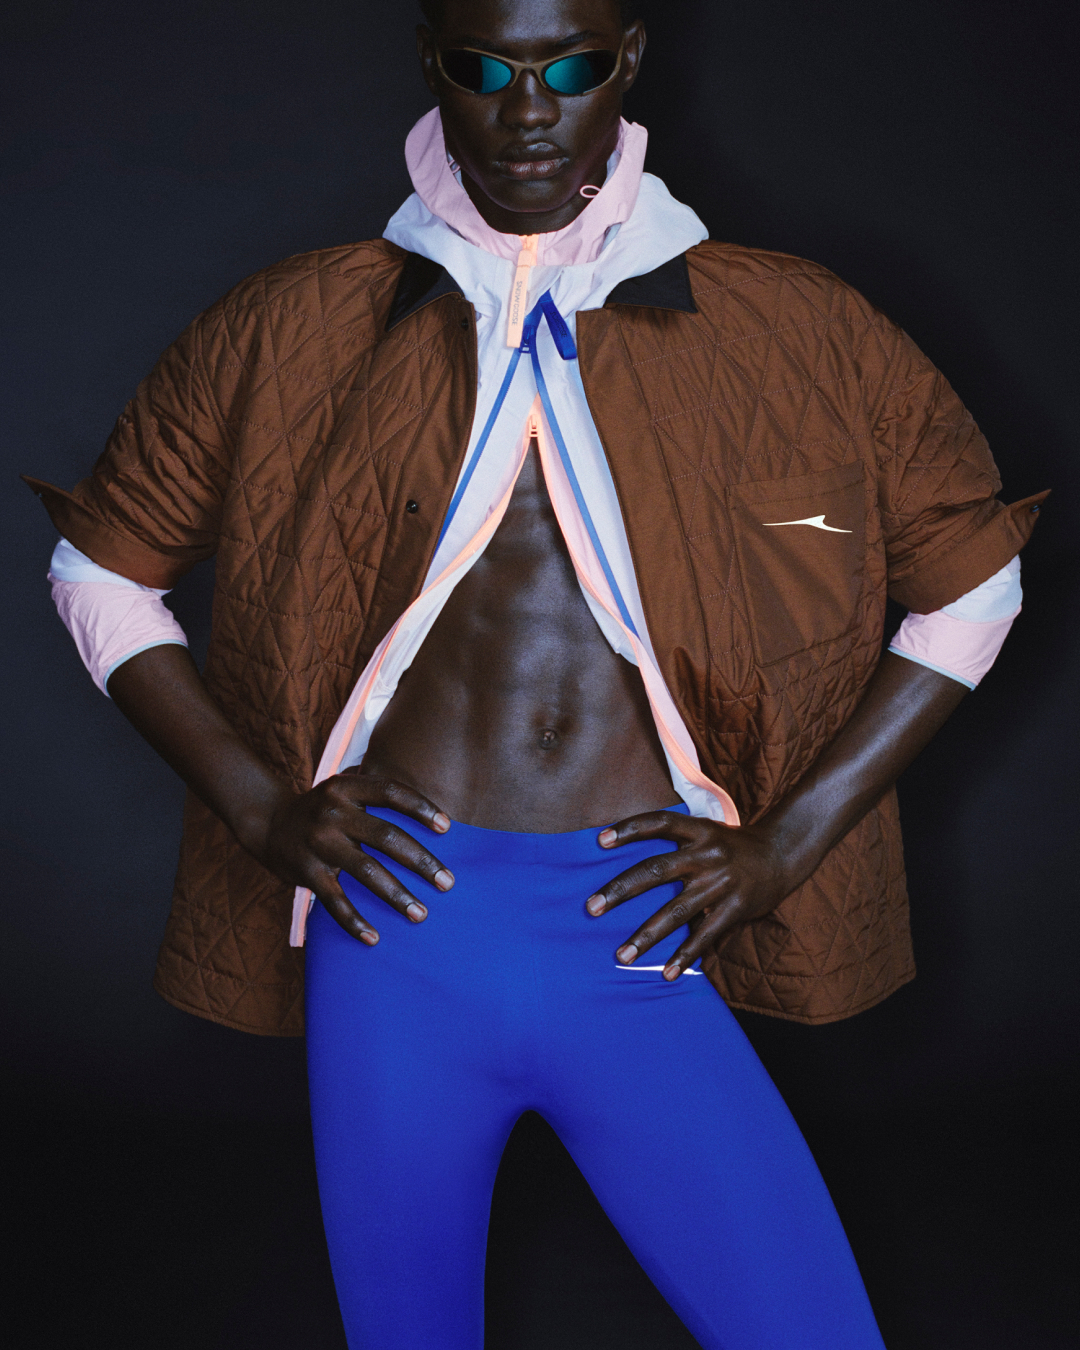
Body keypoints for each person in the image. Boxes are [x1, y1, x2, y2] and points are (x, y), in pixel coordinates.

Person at [25, 0, 1047, 1346]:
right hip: (400, 933)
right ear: (431, 66)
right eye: (485, 67)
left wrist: (785, 847)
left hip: (634, 929)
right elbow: (98, 570)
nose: (527, 112)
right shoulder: (295, 320)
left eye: (568, 68)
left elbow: (974, 584)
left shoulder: (794, 324)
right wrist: (263, 810)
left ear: (627, 62)